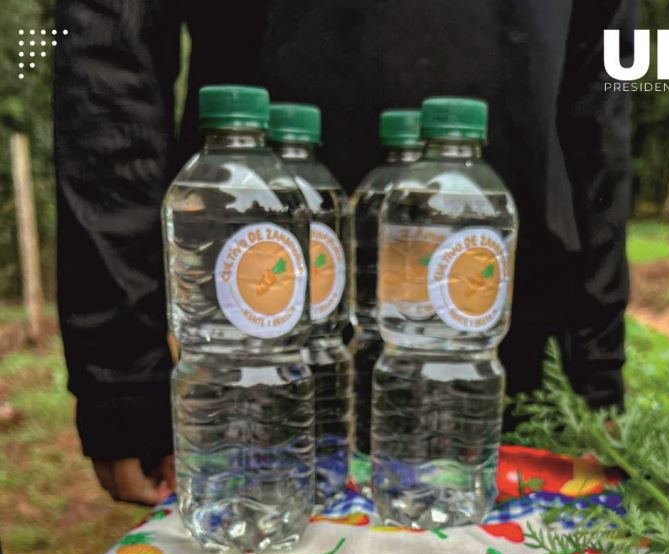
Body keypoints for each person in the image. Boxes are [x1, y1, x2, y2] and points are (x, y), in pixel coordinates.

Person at [55, 0, 636, 506]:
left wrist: (594, 373)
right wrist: (122, 382)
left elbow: (602, 97)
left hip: (506, 346)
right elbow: (112, 57)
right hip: (257, 347)